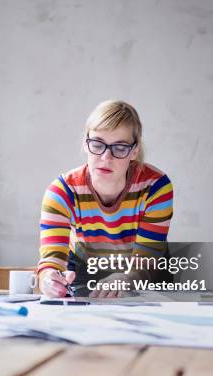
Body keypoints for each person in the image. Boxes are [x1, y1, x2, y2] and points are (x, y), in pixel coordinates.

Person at [37, 100, 174, 298]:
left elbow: (147, 262)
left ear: (134, 151)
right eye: (97, 144)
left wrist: (128, 278)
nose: (106, 157)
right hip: (87, 265)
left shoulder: (156, 186)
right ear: (86, 144)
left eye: (119, 148)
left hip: (145, 271)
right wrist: (49, 279)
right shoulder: (61, 191)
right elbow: (51, 262)